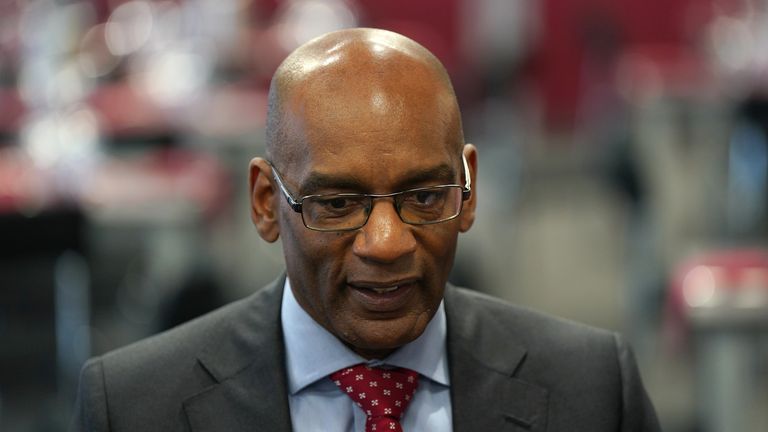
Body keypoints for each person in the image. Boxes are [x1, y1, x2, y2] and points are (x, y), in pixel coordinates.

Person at [72, 28, 660, 431]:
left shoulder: (593, 389)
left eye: (426, 196)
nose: (387, 243)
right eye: (338, 203)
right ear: (265, 203)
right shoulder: (133, 407)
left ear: (469, 187)